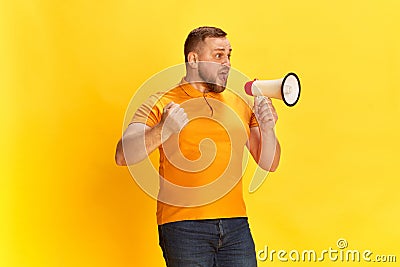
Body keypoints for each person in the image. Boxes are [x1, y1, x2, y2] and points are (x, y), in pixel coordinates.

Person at [115, 26, 281, 267]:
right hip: (183, 228)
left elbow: (270, 163)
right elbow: (122, 155)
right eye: (218, 55)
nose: (227, 63)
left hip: (236, 227)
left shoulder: (240, 103)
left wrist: (268, 129)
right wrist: (163, 129)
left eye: (229, 55)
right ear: (193, 59)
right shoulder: (162, 102)